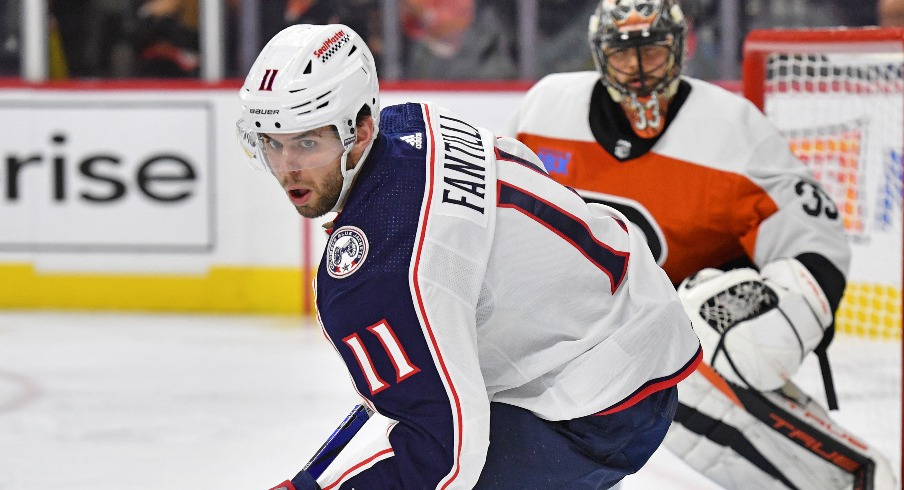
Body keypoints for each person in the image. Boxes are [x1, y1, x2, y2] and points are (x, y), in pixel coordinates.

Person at [236, 23, 702, 490]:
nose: (287, 167)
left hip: (604, 407)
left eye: (307, 143)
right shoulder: (413, 121)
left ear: (359, 130)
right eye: (272, 144)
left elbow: (445, 457)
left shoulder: (380, 276)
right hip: (635, 316)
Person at [500, 1, 898, 489]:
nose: (639, 71)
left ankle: (856, 478)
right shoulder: (546, 111)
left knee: (694, 365)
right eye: (624, 55)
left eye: (653, 53)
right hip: (573, 328)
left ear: (681, 49)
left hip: (683, 327)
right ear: (599, 55)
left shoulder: (732, 130)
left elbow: (811, 237)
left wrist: (792, 304)